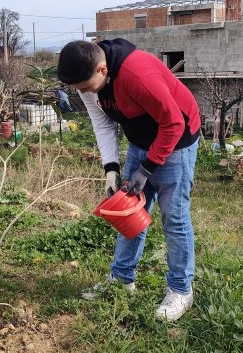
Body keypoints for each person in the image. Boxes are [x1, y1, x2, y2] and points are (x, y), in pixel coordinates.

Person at [56, 38, 200, 322]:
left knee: (174, 217)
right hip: (140, 141)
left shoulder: (137, 75)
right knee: (129, 211)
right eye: (78, 89)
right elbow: (102, 123)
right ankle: (121, 278)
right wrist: (111, 167)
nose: (83, 93)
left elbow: (173, 123)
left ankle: (181, 289)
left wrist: (146, 169)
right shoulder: (87, 79)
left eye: (85, 87)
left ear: (102, 70)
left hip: (177, 140)